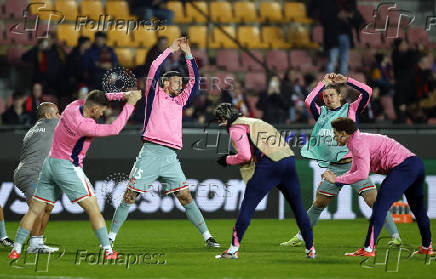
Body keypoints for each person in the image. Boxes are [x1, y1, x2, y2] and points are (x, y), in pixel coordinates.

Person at [109, 38, 220, 248]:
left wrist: (188, 54)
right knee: (130, 195)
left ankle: (207, 237)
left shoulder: (180, 101)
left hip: (170, 156)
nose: (181, 84)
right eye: (177, 81)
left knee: (185, 196)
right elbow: (154, 66)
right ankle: (111, 238)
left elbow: (195, 80)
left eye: (180, 81)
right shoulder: (155, 94)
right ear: (165, 83)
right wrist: (171, 49)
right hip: (150, 152)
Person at [8, 89, 142, 260]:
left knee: (34, 210)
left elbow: (96, 97)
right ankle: (108, 251)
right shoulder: (85, 125)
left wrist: (123, 94)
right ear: (93, 110)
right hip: (68, 167)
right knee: (93, 208)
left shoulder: (73, 106)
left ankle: (16, 250)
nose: (103, 113)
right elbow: (115, 129)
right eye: (102, 110)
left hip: (49, 164)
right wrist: (130, 104)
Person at [280, 73, 401, 247]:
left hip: (354, 164)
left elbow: (367, 91)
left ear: (340, 96)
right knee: (318, 203)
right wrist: (323, 83)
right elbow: (308, 101)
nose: (328, 99)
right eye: (325, 96)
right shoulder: (321, 113)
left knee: (374, 201)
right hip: (334, 168)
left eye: (332, 95)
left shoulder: (351, 109)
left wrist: (347, 81)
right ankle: (301, 237)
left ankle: (396, 237)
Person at [213, 103, 315, 259]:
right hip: (288, 159)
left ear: (223, 119)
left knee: (248, 205)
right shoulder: (254, 121)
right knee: (298, 208)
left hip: (270, 164)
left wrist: (227, 159)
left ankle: (233, 250)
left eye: (219, 121)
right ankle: (310, 249)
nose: (220, 124)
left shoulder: (235, 128)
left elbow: (245, 156)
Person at [322, 117, 432, 257]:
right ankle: (427, 247)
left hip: (403, 168)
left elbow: (362, 174)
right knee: (418, 209)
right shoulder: (357, 140)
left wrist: (337, 179)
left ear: (343, 133)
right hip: (415, 164)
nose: (334, 137)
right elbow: (354, 170)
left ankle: (368, 249)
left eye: (335, 133)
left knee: (379, 206)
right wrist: (336, 181)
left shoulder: (357, 143)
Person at [13, 102, 60, 253]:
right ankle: (32, 246)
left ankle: (38, 243)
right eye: (56, 113)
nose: (59, 116)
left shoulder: (32, 130)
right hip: (30, 173)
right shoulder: (51, 123)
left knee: (47, 207)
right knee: (39, 206)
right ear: (48, 115)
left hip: (32, 173)